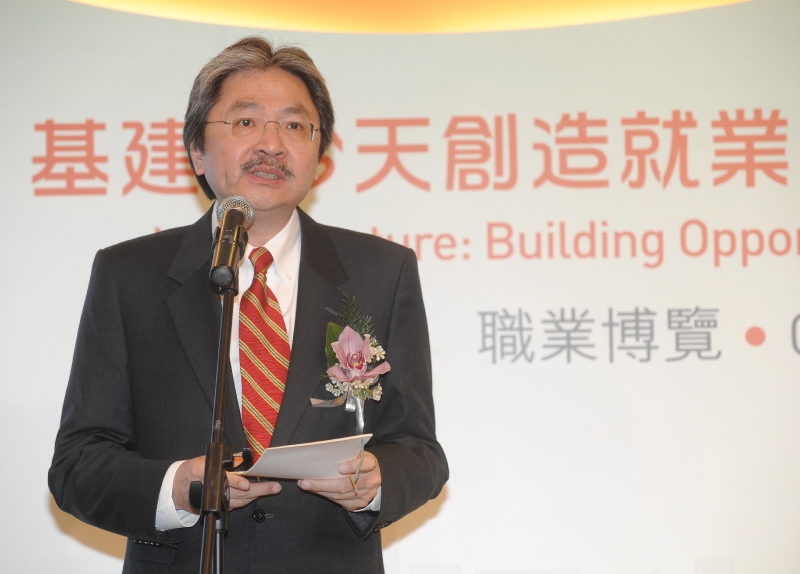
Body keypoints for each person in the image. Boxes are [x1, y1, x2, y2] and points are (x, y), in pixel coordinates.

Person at [48, 36, 448, 573]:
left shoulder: (381, 271)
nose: (272, 144)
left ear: (319, 156)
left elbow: (419, 450)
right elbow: (78, 463)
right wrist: (177, 488)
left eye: (294, 125)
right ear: (196, 150)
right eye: (245, 123)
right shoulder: (130, 276)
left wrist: (376, 480)